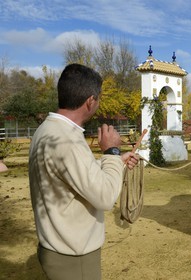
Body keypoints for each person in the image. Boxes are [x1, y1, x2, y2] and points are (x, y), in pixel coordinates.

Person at [28, 63, 139, 280]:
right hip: (74, 257)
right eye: (98, 98)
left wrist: (117, 161)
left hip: (57, 249)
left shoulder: (50, 130)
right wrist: (112, 150)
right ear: (90, 101)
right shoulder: (67, 140)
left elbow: (73, 176)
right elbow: (105, 197)